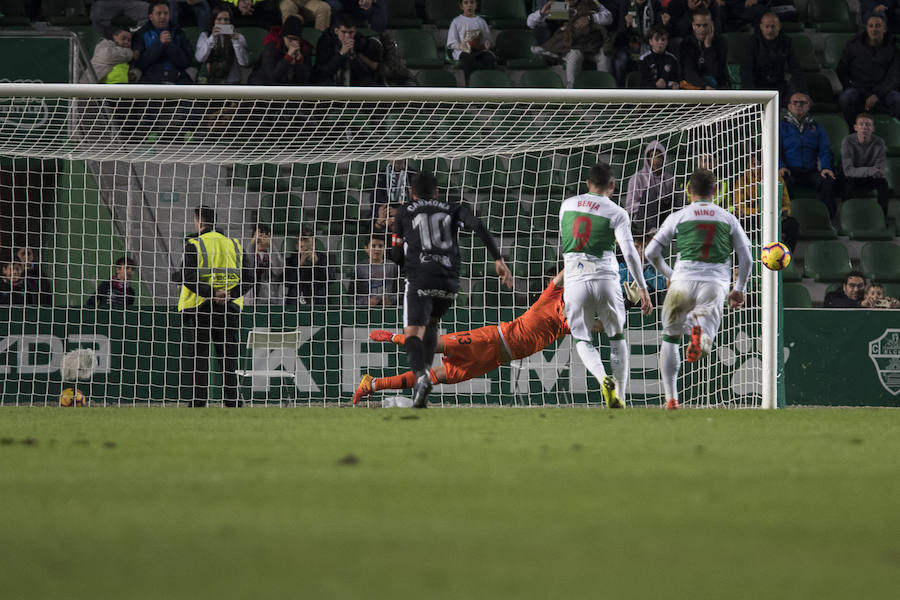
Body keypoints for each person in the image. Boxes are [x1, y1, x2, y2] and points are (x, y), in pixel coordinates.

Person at [391, 171, 513, 408]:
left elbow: (396, 256)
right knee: (432, 324)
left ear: (411, 193)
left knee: (413, 333)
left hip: (420, 278)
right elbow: (478, 225)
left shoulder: (405, 210)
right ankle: (422, 384)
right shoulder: (452, 208)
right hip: (448, 281)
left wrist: (408, 255)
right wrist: (498, 259)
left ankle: (421, 376)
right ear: (437, 192)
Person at [353, 271, 570, 404]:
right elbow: (561, 276)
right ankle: (392, 338)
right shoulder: (550, 297)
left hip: (491, 360)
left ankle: (372, 384)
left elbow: (597, 326)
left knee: (433, 377)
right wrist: (585, 264)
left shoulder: (570, 323)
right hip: (490, 339)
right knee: (433, 347)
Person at [644, 167, 752, 410]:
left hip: (681, 282)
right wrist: (739, 288)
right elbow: (747, 259)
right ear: (715, 190)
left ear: (688, 191)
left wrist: (670, 275)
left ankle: (671, 399)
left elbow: (651, 253)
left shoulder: (678, 216)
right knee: (705, 339)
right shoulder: (727, 217)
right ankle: (700, 333)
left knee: (670, 340)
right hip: (714, 284)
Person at [560, 162, 653, 409]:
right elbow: (630, 252)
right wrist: (642, 287)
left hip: (575, 279)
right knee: (616, 336)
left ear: (588, 184)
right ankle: (619, 395)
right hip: (605, 278)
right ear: (612, 185)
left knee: (582, 338)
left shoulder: (566, 205)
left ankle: (603, 379)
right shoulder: (616, 212)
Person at [176, 205, 255, 408]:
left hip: (200, 306)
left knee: (200, 355)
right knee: (228, 355)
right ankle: (232, 399)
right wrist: (231, 294)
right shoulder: (235, 244)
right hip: (229, 308)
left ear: (198, 222)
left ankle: (199, 400)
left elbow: (188, 277)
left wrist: (212, 293)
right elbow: (249, 277)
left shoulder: (194, 244)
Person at [778, 92, 837, 221]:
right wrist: (781, 166)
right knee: (782, 182)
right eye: (795, 103)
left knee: (828, 181)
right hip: (790, 171)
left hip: (811, 171)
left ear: (808, 106)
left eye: (803, 103)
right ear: (789, 106)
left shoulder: (817, 127)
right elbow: (775, 151)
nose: (799, 105)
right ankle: (788, 219)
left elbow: (824, 150)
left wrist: (826, 167)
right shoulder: (781, 127)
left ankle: (827, 221)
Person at [528, 0, 613, 89]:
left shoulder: (592, 3)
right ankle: (572, 91)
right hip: (574, 45)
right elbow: (530, 23)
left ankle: (605, 88)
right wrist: (541, 13)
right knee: (575, 54)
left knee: (605, 54)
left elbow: (609, 18)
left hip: (593, 44)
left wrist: (589, 18)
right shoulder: (564, 7)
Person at [836, 14, 900, 126]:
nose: (874, 29)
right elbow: (842, 71)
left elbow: (894, 76)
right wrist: (860, 90)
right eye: (871, 26)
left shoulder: (893, 48)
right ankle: (854, 131)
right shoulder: (854, 45)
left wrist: (877, 94)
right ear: (867, 28)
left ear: (884, 29)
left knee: (897, 99)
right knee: (846, 98)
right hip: (858, 89)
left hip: (883, 91)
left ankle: (893, 130)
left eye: (878, 26)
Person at [733, 154, 799, 251]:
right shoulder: (742, 181)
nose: (758, 168)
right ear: (749, 165)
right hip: (754, 216)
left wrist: (783, 212)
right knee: (746, 224)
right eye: (754, 164)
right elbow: (740, 207)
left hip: (775, 216)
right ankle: (747, 257)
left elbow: (786, 203)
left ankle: (787, 256)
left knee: (793, 224)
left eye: (762, 164)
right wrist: (761, 211)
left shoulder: (778, 179)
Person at [740, 12, 804, 99]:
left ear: (779, 27)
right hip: (757, 86)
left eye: (773, 26)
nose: (770, 30)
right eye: (767, 26)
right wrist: (751, 94)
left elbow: (795, 68)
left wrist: (799, 92)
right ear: (761, 27)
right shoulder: (751, 42)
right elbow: (746, 70)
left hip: (779, 87)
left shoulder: (786, 42)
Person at [840, 112, 891, 217]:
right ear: (855, 127)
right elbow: (848, 170)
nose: (864, 127)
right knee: (846, 185)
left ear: (873, 128)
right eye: (861, 124)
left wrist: (869, 171)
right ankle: (847, 215)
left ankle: (882, 217)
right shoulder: (847, 141)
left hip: (871, 178)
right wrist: (871, 170)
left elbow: (880, 170)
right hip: (852, 178)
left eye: (868, 125)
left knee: (883, 184)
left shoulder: (879, 142)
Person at [132, 0, 194, 84]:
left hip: (177, 76)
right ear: (151, 17)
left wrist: (170, 46)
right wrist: (159, 44)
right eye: (159, 13)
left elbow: (186, 62)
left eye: (166, 13)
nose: (163, 16)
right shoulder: (141, 34)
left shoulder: (179, 33)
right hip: (150, 77)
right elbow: (140, 63)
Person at [313, 12, 382, 85]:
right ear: (336, 31)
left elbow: (364, 75)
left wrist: (353, 57)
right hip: (331, 81)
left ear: (355, 31)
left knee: (368, 82)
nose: (347, 36)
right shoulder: (325, 41)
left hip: (353, 83)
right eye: (343, 32)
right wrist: (341, 54)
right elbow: (322, 72)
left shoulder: (360, 41)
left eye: (351, 32)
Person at [624, 140, 676, 233]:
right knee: (650, 192)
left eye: (659, 157)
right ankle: (652, 231)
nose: (656, 160)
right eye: (652, 156)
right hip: (643, 219)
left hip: (663, 215)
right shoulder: (637, 178)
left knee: (678, 194)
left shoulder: (669, 179)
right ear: (647, 158)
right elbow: (629, 206)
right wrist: (649, 204)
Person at [248, 15, 312, 85]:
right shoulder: (272, 47)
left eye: (296, 39)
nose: (292, 42)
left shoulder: (304, 48)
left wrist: (299, 61)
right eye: (290, 38)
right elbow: (273, 76)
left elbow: (305, 78)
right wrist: (288, 57)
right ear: (283, 36)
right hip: (263, 81)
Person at [195, 3, 250, 84]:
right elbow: (200, 58)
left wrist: (236, 42)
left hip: (231, 81)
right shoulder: (205, 36)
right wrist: (212, 38)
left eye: (226, 19)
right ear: (213, 21)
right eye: (219, 19)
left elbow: (244, 62)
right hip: (208, 80)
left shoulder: (239, 37)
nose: (223, 23)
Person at [679, 8, 729, 90]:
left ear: (711, 24)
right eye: (698, 25)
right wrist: (705, 86)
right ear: (693, 25)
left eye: (705, 25)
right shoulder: (686, 44)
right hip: (696, 87)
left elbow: (717, 72)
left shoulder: (721, 42)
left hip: (718, 88)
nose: (702, 29)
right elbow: (689, 73)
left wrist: (708, 46)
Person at [612, 0, 659, 87]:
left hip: (650, 43)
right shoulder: (626, 4)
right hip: (628, 44)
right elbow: (620, 34)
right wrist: (626, 25)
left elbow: (658, 28)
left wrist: (664, 23)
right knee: (620, 61)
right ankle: (620, 89)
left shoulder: (654, 4)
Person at [448, 0, 497, 81]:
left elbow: (487, 39)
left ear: (476, 5)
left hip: (479, 50)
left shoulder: (481, 21)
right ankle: (470, 85)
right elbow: (451, 42)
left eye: (472, 2)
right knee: (468, 59)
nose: (469, 5)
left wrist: (487, 43)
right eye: (466, 3)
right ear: (461, 6)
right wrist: (461, 46)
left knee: (488, 58)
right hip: (463, 51)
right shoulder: (456, 21)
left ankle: (488, 84)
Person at [283, 229, 330, 305]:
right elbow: (287, 282)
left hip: (318, 303)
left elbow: (330, 279)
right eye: (302, 247)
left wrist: (317, 262)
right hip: (294, 304)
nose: (306, 251)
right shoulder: (290, 261)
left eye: (308, 247)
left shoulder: (323, 259)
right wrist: (300, 264)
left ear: (314, 245)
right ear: (297, 247)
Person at [352, 235, 398, 307]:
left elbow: (400, 292)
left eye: (380, 246)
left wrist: (390, 300)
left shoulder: (392, 266)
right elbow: (352, 296)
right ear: (366, 248)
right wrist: (367, 301)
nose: (377, 249)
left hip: (388, 309)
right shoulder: (360, 268)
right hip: (365, 309)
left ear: (384, 248)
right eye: (373, 246)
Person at [245, 224, 284, 304]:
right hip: (249, 301)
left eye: (265, 238)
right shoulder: (248, 255)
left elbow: (278, 271)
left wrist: (271, 246)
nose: (261, 242)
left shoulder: (274, 255)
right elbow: (247, 267)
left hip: (270, 301)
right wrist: (252, 244)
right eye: (259, 240)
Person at [639, 24, 681, 89]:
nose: (660, 42)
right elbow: (642, 82)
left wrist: (674, 84)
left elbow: (676, 79)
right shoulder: (644, 59)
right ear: (650, 41)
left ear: (667, 42)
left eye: (663, 40)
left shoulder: (672, 59)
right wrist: (655, 84)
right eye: (657, 39)